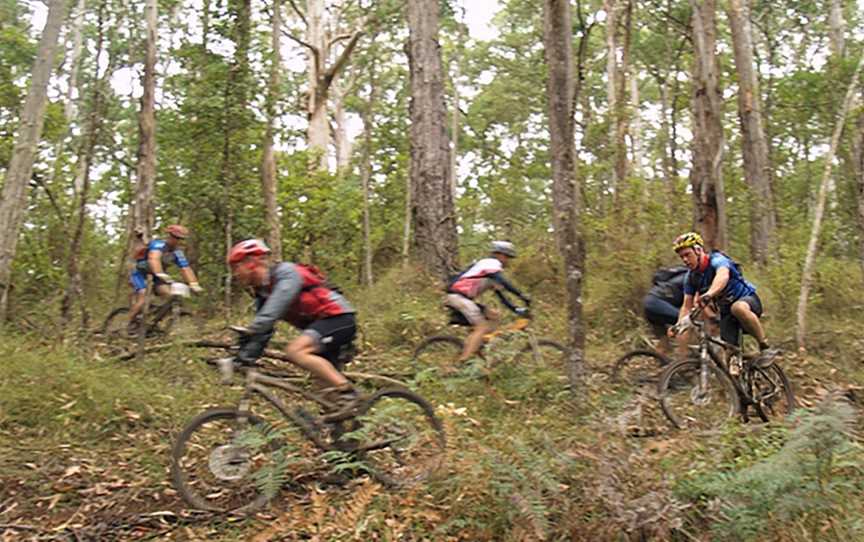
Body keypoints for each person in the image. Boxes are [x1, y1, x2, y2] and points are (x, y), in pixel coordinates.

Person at [227, 239, 359, 412]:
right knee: (326, 394)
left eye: (236, 267)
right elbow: (263, 332)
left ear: (252, 263)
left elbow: (274, 308)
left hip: (338, 318)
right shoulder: (263, 293)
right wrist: (242, 359)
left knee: (295, 351)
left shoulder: (286, 273)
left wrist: (252, 328)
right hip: (320, 328)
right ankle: (348, 432)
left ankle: (350, 392)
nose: (235, 274)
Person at [670, 231, 776, 367]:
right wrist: (678, 326)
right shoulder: (691, 277)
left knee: (737, 308)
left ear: (698, 250)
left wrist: (710, 293)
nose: (684, 260)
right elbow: (686, 305)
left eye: (687, 255)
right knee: (731, 363)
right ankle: (741, 385)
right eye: (681, 257)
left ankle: (764, 346)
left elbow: (723, 276)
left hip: (748, 302)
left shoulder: (717, 260)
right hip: (727, 315)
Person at [445, 240, 531, 367]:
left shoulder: (490, 274)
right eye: (507, 257)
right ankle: (462, 362)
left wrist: (516, 309)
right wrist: (521, 295)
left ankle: (477, 346)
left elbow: (501, 295)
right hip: (458, 297)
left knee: (494, 316)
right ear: (500, 255)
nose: (508, 260)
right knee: (482, 327)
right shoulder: (490, 263)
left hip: (463, 299)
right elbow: (503, 282)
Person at [127, 224, 203, 335]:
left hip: (157, 276)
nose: (177, 241)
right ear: (170, 236)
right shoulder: (159, 244)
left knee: (169, 295)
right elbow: (154, 259)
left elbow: (186, 268)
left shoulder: (177, 253)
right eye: (176, 238)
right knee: (143, 297)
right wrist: (160, 273)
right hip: (140, 273)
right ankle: (128, 324)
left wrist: (194, 284)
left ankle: (155, 320)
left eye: (180, 239)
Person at [642, 265, 688, 357]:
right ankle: (684, 361)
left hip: (648, 304)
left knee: (664, 341)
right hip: (657, 303)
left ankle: (661, 366)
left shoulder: (678, 276)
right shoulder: (691, 278)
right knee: (686, 325)